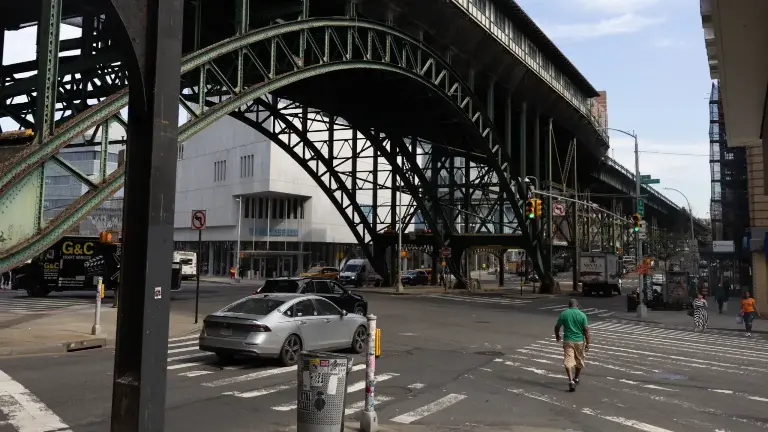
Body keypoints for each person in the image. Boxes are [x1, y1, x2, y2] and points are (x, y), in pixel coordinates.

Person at [554, 299, 590, 392]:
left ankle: (571, 381)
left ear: (568, 305)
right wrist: (588, 343)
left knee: (568, 360)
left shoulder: (564, 314)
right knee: (579, 359)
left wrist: (557, 335)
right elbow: (586, 330)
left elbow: (557, 327)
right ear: (577, 305)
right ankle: (576, 378)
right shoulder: (582, 315)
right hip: (579, 341)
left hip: (568, 341)